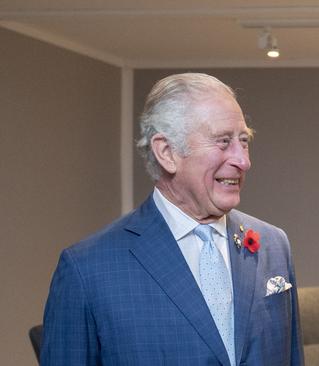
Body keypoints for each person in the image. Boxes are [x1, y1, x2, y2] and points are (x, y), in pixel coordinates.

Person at [40, 73, 303, 366]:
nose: (243, 160)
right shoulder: (87, 270)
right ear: (167, 152)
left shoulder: (273, 245)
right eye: (223, 141)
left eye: (244, 141)